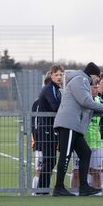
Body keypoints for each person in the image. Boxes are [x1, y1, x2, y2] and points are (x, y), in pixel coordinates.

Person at [52, 62, 103, 196]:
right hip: (69, 124)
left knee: (85, 153)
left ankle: (84, 187)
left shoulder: (82, 81)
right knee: (65, 155)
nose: (97, 82)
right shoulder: (80, 80)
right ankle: (59, 187)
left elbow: (87, 107)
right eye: (97, 79)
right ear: (93, 75)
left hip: (74, 125)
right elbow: (86, 102)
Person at [35, 64, 64, 193]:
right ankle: (41, 189)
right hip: (46, 128)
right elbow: (55, 106)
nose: (59, 77)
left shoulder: (56, 89)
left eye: (61, 75)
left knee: (51, 160)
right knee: (49, 160)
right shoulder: (49, 88)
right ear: (51, 75)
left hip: (52, 128)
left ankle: (43, 189)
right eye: (56, 74)